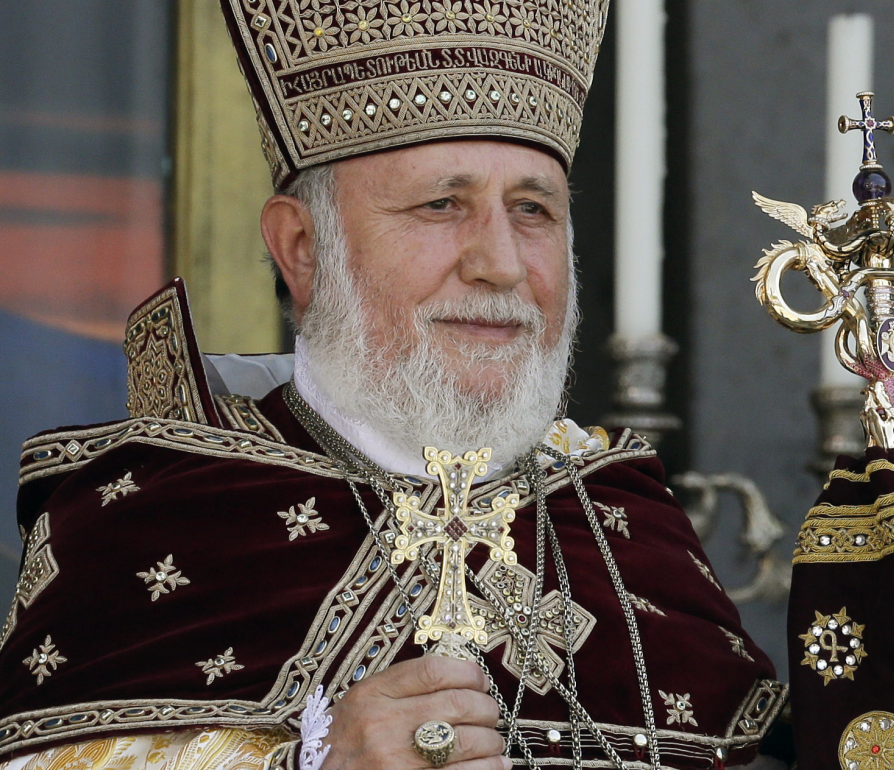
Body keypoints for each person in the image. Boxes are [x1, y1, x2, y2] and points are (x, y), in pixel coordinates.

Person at [0, 2, 787, 769]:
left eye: (533, 209)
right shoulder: (152, 518)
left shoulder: (628, 526)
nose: (503, 264)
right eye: (442, 205)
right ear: (302, 249)